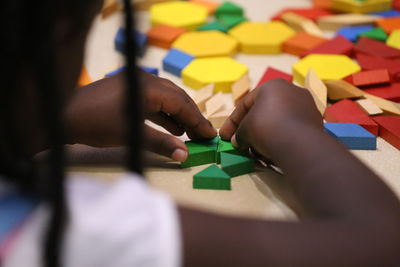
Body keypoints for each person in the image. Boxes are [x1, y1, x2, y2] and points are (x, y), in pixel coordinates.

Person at [1, 1, 400, 267]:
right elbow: (382, 244)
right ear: (59, 37)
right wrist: (298, 132)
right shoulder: (74, 230)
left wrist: (46, 118)